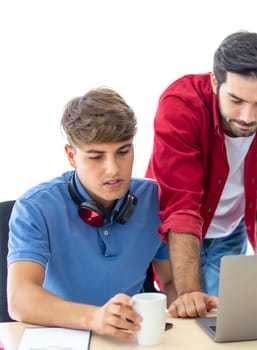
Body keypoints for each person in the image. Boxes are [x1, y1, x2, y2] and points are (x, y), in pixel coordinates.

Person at [145, 31, 257, 317]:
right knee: (185, 316)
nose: (248, 116)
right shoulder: (181, 103)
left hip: (231, 227)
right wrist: (188, 295)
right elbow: (181, 207)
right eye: (236, 100)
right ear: (214, 81)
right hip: (172, 229)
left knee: (224, 321)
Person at [7, 87, 176, 341]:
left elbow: (171, 282)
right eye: (96, 156)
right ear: (71, 156)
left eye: (123, 151)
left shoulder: (155, 199)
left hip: (128, 339)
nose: (113, 169)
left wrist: (189, 302)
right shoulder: (35, 207)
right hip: (60, 338)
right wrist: (95, 318)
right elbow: (20, 300)